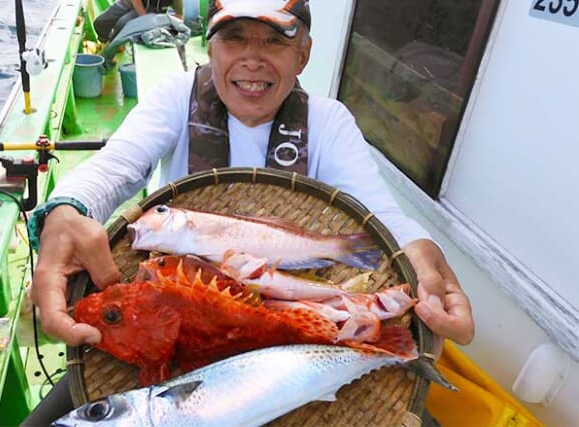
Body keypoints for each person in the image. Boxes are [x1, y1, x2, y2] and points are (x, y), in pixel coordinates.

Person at [25, 0, 474, 421]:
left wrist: (417, 246)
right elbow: (116, 166)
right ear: (211, 47)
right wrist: (68, 208)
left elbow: (379, 206)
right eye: (234, 38)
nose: (253, 59)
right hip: (181, 331)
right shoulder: (176, 98)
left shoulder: (327, 121)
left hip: (277, 353)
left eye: (275, 41)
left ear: (304, 55)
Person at [93, 0, 174, 43]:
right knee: (100, 23)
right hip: (130, 3)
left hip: (152, 9)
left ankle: (114, 46)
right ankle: (109, 43)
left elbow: (179, 14)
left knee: (121, 25)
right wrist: (143, 17)